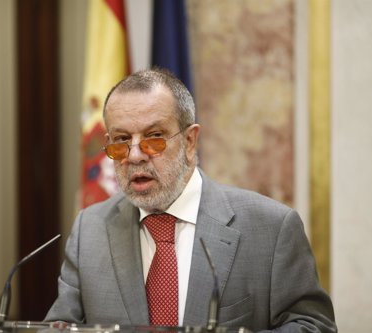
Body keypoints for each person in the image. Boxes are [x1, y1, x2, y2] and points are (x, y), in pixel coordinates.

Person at [45, 68, 337, 332]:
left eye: (154, 136)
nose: (134, 155)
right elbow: (60, 326)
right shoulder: (90, 228)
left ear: (189, 142)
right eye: (121, 140)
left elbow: (313, 326)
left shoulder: (271, 227)